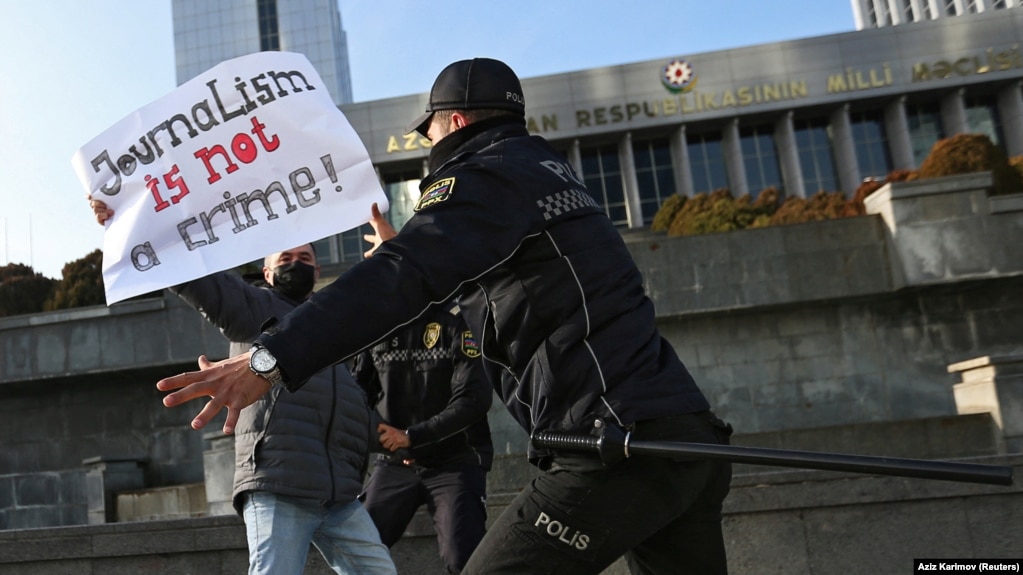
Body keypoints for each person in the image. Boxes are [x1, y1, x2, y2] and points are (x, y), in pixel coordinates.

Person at [157, 57, 734, 575]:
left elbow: (407, 275)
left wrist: (269, 358)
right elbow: (433, 280)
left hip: (614, 448)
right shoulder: (546, 173)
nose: (424, 142)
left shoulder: (486, 174)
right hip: (685, 439)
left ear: (454, 123)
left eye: (427, 129)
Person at [89, 198, 397, 575]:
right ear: (266, 273)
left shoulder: (334, 326)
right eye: (285, 259)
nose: (295, 264)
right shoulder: (254, 309)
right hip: (280, 485)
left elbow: (345, 402)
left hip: (341, 495)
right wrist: (129, 224)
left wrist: (391, 438)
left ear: (317, 270)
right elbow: (193, 274)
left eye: (303, 258)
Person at [352, 296, 493, 574]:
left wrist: (412, 437)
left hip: (455, 462)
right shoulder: (376, 326)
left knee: (463, 556)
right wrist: (387, 440)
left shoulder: (459, 319)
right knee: (357, 551)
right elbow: (357, 396)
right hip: (394, 463)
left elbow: (473, 399)